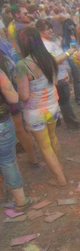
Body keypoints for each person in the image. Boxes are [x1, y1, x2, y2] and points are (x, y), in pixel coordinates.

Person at [15, 27, 68, 188]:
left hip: (35, 112)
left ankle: (60, 179)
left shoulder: (22, 65)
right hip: (52, 106)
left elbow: (24, 96)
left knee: (44, 147)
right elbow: (56, 82)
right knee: (52, 138)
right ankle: (58, 166)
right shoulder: (50, 58)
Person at [36, 19, 80, 131]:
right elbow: (53, 61)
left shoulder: (45, 42)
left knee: (56, 101)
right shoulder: (46, 45)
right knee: (65, 102)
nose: (51, 30)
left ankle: (57, 122)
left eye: (51, 27)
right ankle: (72, 124)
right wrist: (67, 53)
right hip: (58, 78)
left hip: (55, 77)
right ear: (39, 30)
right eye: (48, 28)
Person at [0, 55, 32, 210]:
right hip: (1, 124)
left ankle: (2, 194)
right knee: (7, 161)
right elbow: (13, 98)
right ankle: (20, 200)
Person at [62, 19, 80, 106]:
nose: (72, 30)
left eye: (73, 28)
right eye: (70, 28)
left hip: (79, 59)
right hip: (72, 60)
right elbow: (66, 53)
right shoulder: (65, 39)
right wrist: (67, 65)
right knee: (77, 79)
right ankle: (79, 98)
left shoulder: (76, 36)